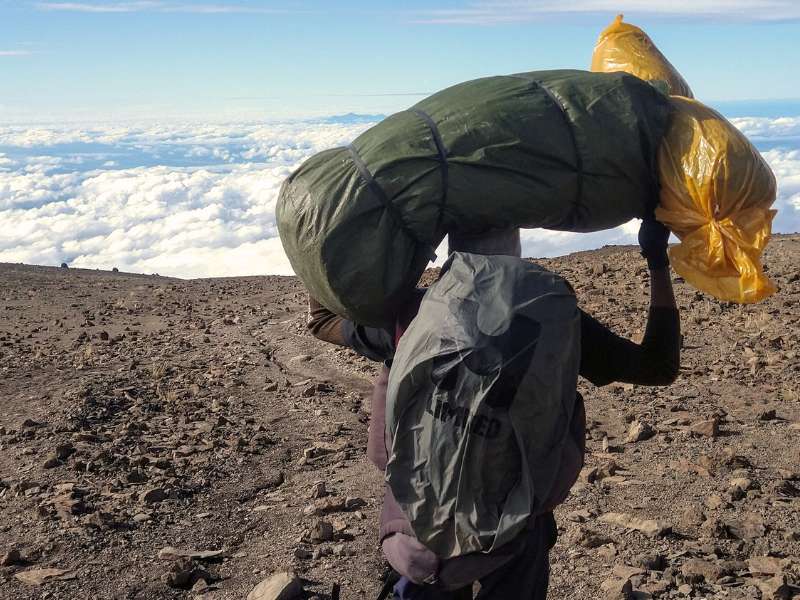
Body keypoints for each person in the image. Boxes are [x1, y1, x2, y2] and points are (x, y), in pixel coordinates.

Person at [306, 217, 680, 599]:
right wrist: (655, 257)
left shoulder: (417, 313)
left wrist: (334, 243)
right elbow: (657, 366)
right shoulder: (555, 320)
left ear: (452, 249)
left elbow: (321, 321)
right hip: (515, 535)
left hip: (418, 534)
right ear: (516, 251)